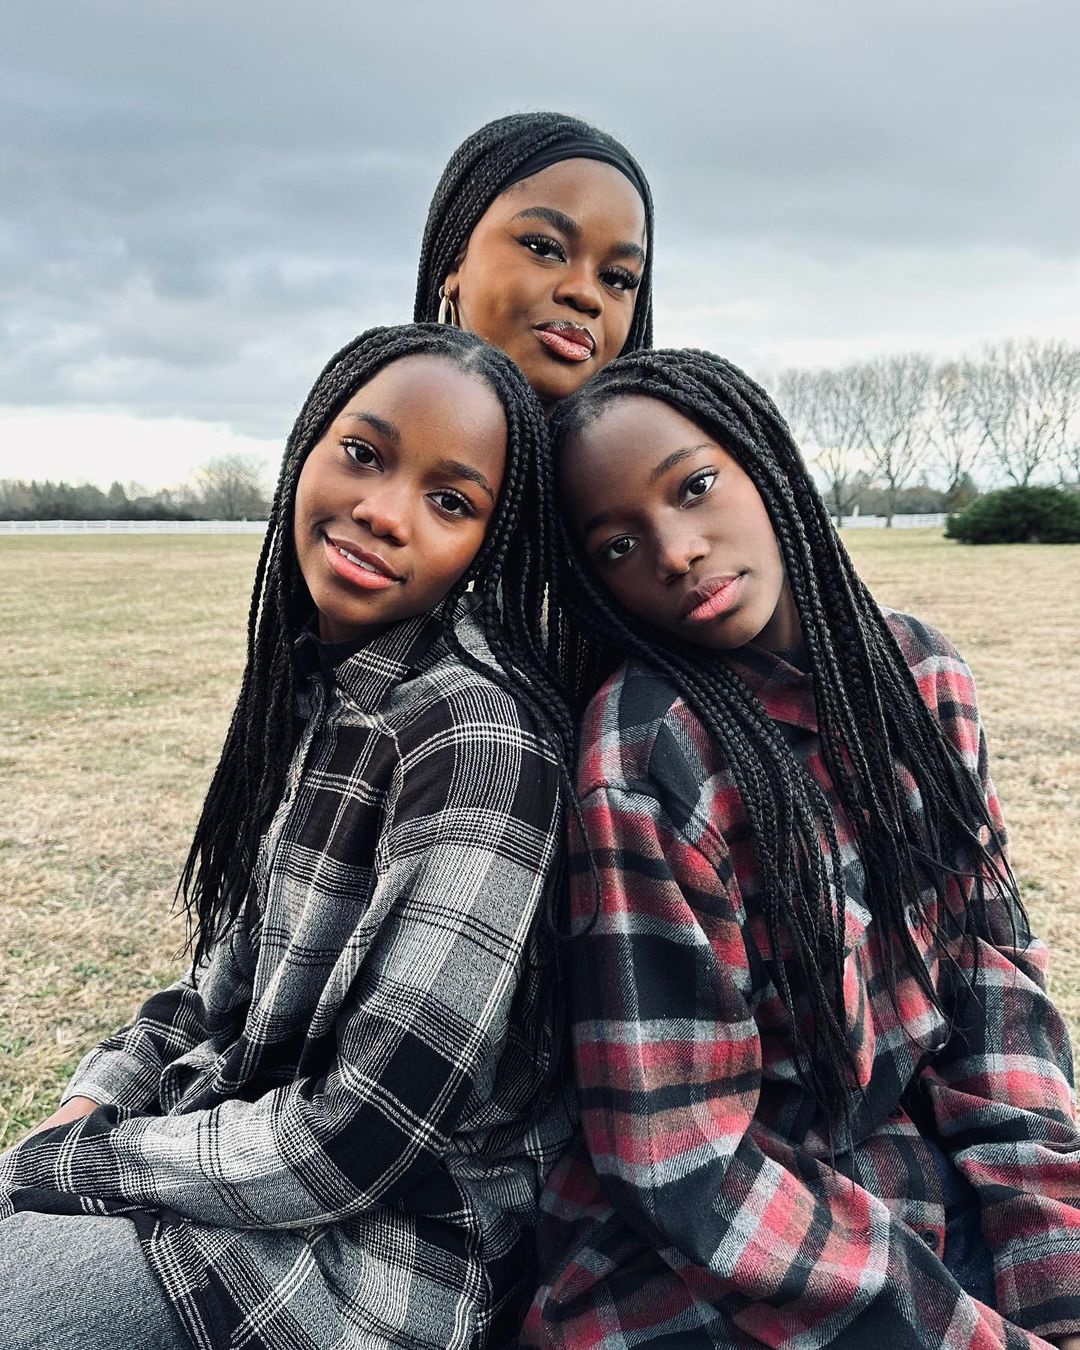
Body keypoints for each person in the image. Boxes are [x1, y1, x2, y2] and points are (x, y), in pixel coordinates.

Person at [0, 324, 577, 1350]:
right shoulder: (323, 693)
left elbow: (356, 1141)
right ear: (307, 446)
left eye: (451, 502)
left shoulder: (478, 743)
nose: (384, 512)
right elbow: (222, 984)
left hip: (379, 1264)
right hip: (232, 1168)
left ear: (489, 543)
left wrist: (85, 1165)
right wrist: (97, 1097)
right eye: (364, 454)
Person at [524, 348, 1080, 1348]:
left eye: (695, 488)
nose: (677, 549)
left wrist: (1056, 1271)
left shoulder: (921, 677)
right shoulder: (647, 751)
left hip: (925, 1177)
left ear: (766, 463)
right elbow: (679, 1157)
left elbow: (993, 989)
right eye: (617, 545)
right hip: (724, 1260)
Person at [415, 111, 654, 409]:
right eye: (544, 249)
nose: (585, 294)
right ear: (455, 257)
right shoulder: (361, 430)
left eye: (617, 278)